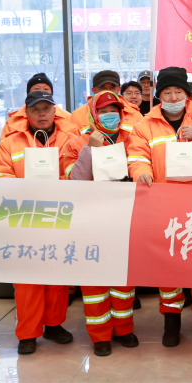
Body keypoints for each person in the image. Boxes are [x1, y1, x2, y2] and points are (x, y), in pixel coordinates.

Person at [128, 66, 192, 347]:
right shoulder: (144, 125)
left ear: (187, 95)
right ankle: (171, 322)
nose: (172, 97)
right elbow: (137, 156)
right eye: (167, 92)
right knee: (168, 267)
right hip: (164, 207)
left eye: (178, 92)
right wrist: (140, 172)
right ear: (159, 95)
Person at [0, 90, 87, 355]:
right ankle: (28, 333)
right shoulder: (10, 143)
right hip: (25, 218)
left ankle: (53, 325)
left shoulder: (70, 140)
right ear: (27, 113)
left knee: (57, 278)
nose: (42, 114)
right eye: (36, 109)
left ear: (55, 111)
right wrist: (26, 189)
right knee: (27, 281)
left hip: (60, 216)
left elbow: (79, 175)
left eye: (46, 108)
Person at [68, 90, 140, 356]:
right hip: (91, 222)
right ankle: (100, 335)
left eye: (114, 111)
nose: (110, 116)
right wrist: (91, 150)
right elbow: (73, 182)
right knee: (95, 282)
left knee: (123, 280)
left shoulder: (132, 138)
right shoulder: (77, 141)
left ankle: (124, 329)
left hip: (124, 219)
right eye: (104, 111)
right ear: (93, 114)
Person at [1, 73, 73, 140]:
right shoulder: (13, 122)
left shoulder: (67, 118)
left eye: (46, 89)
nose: (41, 92)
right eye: (37, 89)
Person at [68, 69, 122, 135]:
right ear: (94, 90)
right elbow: (73, 140)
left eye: (112, 88)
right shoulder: (77, 115)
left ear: (119, 89)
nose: (107, 91)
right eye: (103, 88)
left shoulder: (132, 112)